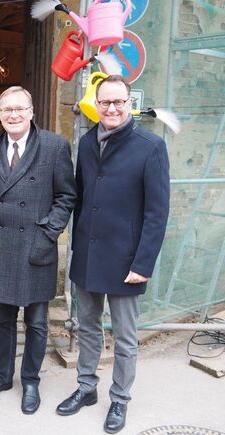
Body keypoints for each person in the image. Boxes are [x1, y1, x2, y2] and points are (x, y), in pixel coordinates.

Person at [57, 75, 170, 434]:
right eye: (105, 102)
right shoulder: (88, 142)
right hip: (88, 256)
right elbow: (83, 196)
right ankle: (86, 388)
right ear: (97, 103)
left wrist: (143, 264)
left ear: (130, 103)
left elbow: (157, 212)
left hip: (126, 262)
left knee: (123, 336)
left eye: (119, 102)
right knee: (88, 328)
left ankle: (119, 398)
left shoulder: (150, 146)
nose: (112, 108)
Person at [0, 86, 76, 415]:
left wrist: (48, 233)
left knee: (36, 322)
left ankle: (30, 380)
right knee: (3, 319)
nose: (13, 115)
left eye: (19, 109)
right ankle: (2, 376)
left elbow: (66, 196)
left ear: (32, 112)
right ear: (0, 115)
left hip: (36, 245)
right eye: (6, 110)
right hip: (4, 244)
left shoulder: (54, 145)